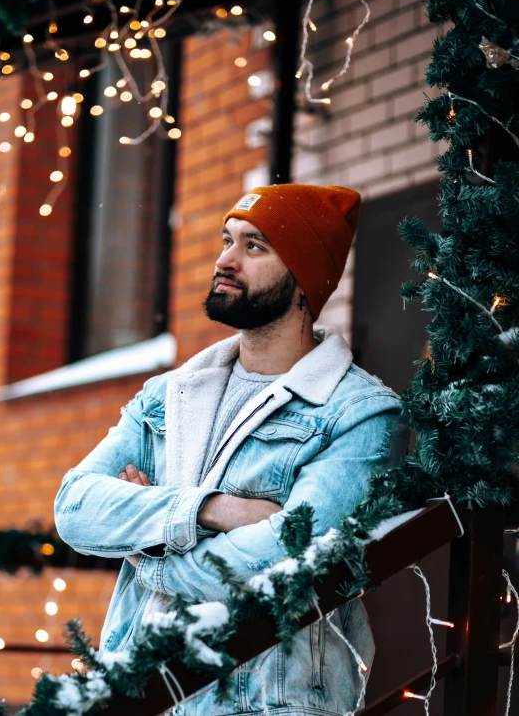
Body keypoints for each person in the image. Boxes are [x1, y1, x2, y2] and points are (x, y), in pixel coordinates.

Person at [55, 183, 410, 716]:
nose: (225, 259)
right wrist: (212, 510)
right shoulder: (169, 394)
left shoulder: (359, 413)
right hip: (142, 689)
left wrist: (146, 547)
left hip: (264, 700)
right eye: (227, 240)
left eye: (254, 246)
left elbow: (289, 558)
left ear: (304, 280)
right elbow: (75, 507)